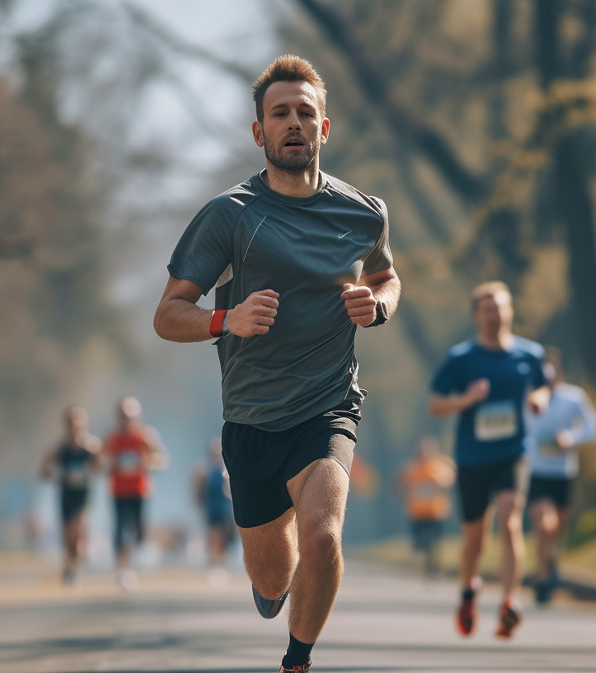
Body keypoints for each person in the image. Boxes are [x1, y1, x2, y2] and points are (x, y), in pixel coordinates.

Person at [153, 54, 400, 673]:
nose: (294, 123)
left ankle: (297, 661)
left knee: (323, 536)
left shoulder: (362, 212)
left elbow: (387, 275)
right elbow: (167, 313)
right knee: (271, 581)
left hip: (326, 405)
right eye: (280, 113)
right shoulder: (230, 216)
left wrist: (379, 305)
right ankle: (278, 594)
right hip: (251, 419)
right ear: (259, 131)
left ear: (325, 128)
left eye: (305, 113)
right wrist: (222, 320)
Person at [429, 281, 548, 640]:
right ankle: (469, 591)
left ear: (510, 311)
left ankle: (510, 599)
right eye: (487, 310)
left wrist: (538, 398)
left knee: (511, 519)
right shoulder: (462, 358)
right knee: (474, 542)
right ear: (477, 316)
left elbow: (543, 384)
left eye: (500, 308)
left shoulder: (530, 355)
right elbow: (435, 405)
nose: (495, 315)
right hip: (472, 457)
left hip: (513, 452)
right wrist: (465, 400)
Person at [525, 348, 596, 606]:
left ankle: (550, 565)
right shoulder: (527, 398)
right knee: (544, 525)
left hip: (563, 473)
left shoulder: (573, 398)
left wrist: (570, 438)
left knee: (556, 529)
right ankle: (543, 577)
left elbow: (593, 428)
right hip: (536, 471)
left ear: (558, 369)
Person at [102, 396, 168, 590]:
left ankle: (137, 559)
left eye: (130, 416)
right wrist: (110, 464)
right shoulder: (112, 438)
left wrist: (146, 462)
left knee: (139, 532)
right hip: (118, 492)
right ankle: (123, 570)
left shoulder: (144, 436)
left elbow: (162, 459)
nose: (126, 420)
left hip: (140, 492)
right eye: (123, 416)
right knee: (121, 531)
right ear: (117, 417)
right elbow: (99, 462)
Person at [39, 405, 100, 586]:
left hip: (83, 495)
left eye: (79, 423)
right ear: (66, 426)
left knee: (78, 528)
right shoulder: (59, 449)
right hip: (66, 495)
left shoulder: (91, 447)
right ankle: (70, 567)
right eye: (72, 424)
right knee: (68, 537)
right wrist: (56, 475)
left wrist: (90, 470)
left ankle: (76, 561)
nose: (76, 427)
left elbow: (100, 467)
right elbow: (44, 471)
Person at [396, 436, 456, 578]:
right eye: (422, 450)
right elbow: (399, 484)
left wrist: (442, 484)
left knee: (435, 543)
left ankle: (433, 567)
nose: (424, 453)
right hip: (417, 513)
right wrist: (405, 494)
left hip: (436, 512)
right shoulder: (410, 468)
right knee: (420, 543)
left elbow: (449, 481)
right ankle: (423, 563)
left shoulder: (440, 467)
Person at [193, 438, 236, 577]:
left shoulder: (227, 468)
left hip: (225, 507)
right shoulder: (205, 469)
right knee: (213, 535)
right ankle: (214, 563)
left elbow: (231, 490)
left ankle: (221, 564)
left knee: (225, 536)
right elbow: (199, 490)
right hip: (212, 507)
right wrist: (198, 502)